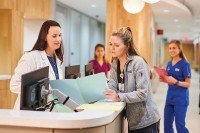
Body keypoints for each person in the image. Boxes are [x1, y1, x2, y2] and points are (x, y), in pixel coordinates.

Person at [104, 27, 160, 133]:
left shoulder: (138, 62)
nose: (112, 48)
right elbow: (112, 83)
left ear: (127, 45)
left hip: (146, 120)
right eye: (110, 44)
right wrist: (107, 90)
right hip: (133, 121)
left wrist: (118, 96)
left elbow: (142, 93)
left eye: (117, 45)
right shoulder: (115, 63)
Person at [10, 20, 64, 110]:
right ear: (45, 37)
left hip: (49, 110)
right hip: (29, 112)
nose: (58, 39)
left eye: (60, 35)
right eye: (54, 36)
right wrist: (39, 91)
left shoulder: (57, 59)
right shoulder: (31, 57)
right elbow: (14, 85)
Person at [159, 40, 191, 133]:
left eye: (174, 48)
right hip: (170, 98)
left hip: (181, 99)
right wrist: (164, 79)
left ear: (179, 49)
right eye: (170, 48)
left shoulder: (185, 64)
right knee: (167, 124)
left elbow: (188, 84)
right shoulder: (169, 63)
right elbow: (170, 80)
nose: (171, 50)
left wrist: (176, 82)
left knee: (180, 125)